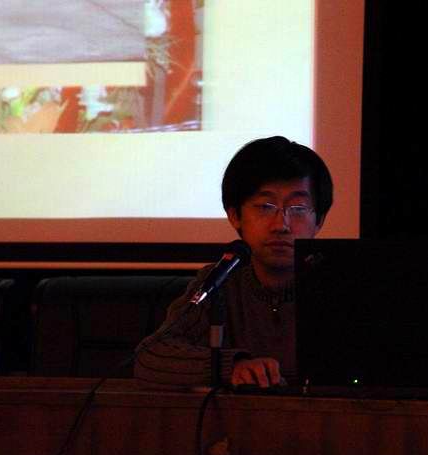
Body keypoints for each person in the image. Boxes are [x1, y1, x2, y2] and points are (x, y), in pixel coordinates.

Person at [134, 136, 333, 388]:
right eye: (265, 206)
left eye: (298, 208)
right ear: (235, 215)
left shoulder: (341, 283)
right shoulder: (220, 281)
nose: (281, 225)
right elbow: (150, 357)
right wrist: (232, 366)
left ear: (319, 220)